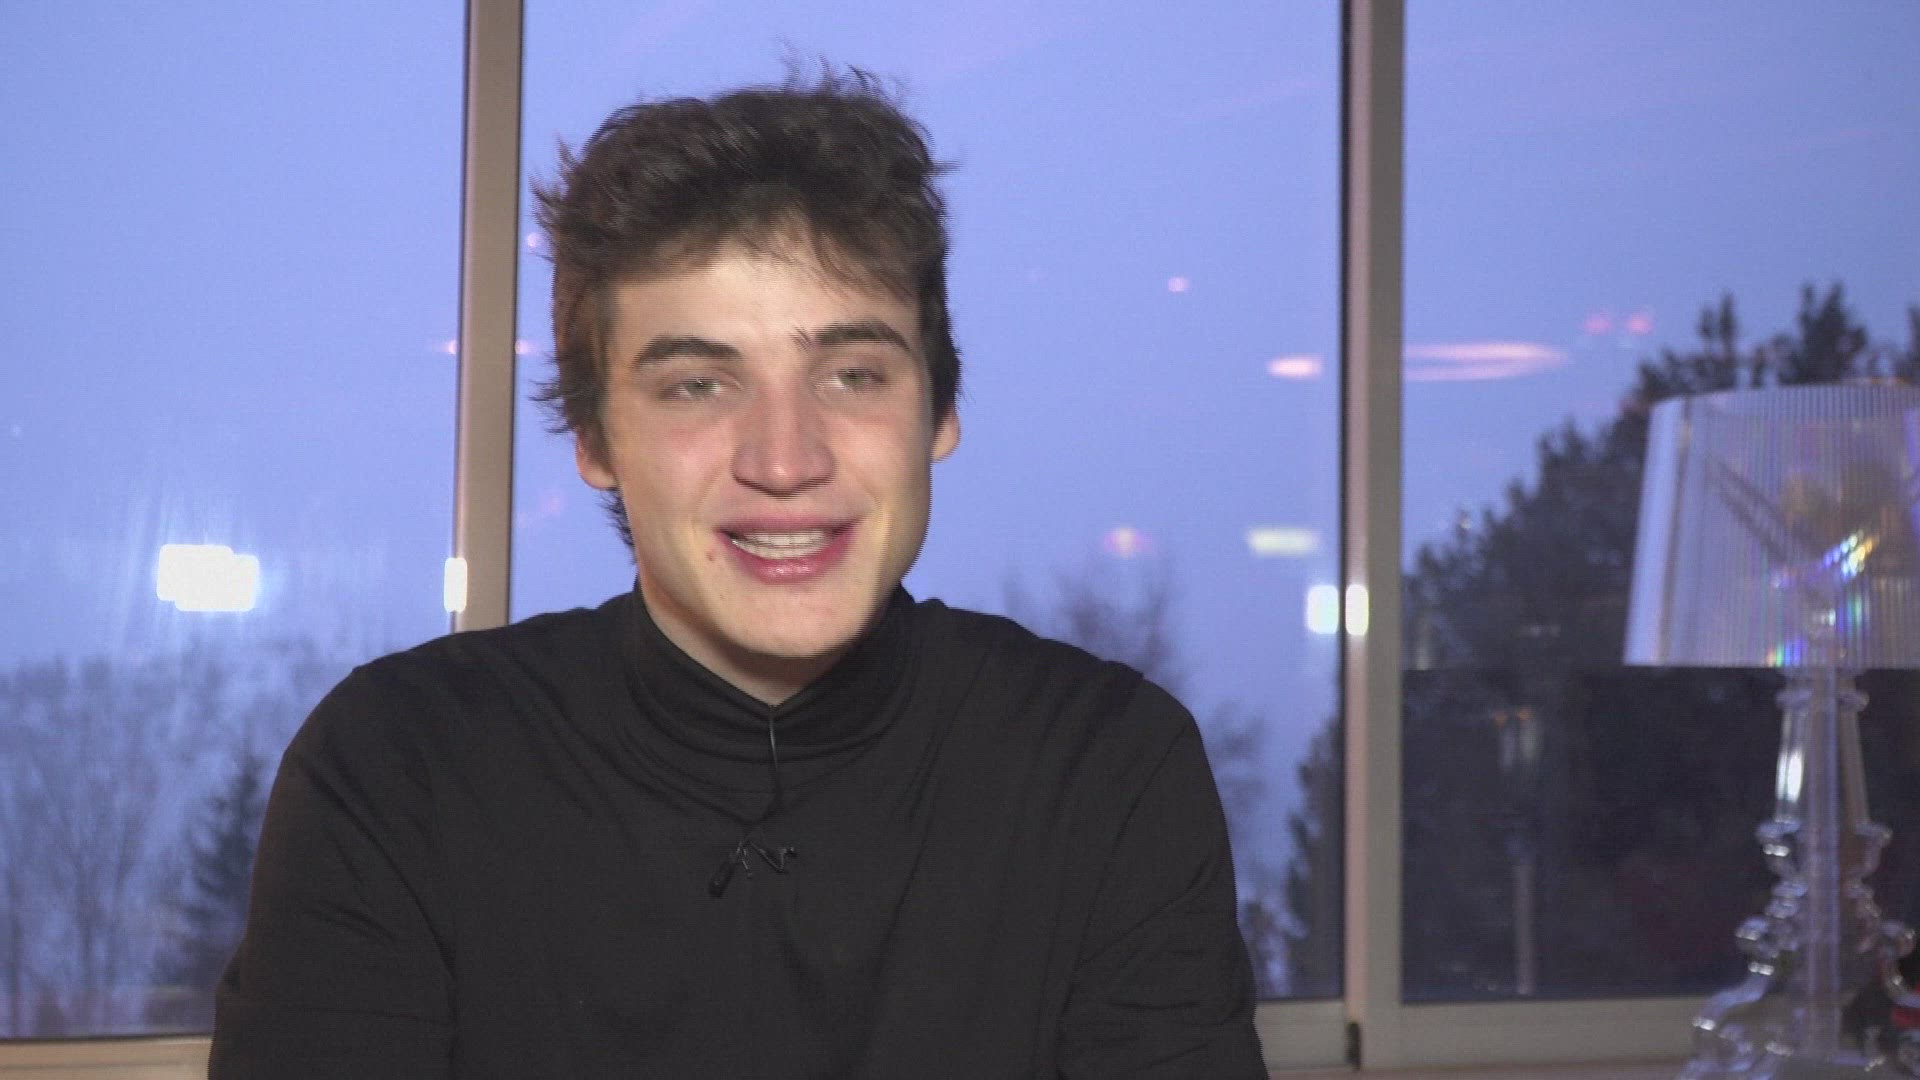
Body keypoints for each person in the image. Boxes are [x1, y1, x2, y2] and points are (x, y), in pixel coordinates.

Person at [210, 70, 1266, 1078]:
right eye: (698, 385)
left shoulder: (1105, 769)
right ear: (595, 438)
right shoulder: (398, 769)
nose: (785, 459)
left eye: (853, 375)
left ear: (940, 412)